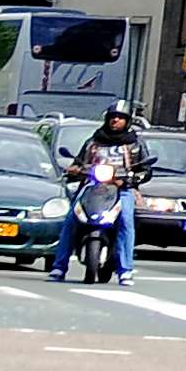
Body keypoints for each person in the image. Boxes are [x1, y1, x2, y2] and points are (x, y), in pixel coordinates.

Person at [55, 103, 148, 284]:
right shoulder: (93, 142)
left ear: (127, 121)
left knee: (126, 221)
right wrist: (75, 169)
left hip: (121, 189)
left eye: (120, 117)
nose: (116, 120)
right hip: (91, 187)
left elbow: (145, 169)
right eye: (113, 117)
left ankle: (125, 270)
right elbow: (79, 162)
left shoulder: (135, 144)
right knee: (70, 219)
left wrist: (132, 179)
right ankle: (59, 266)